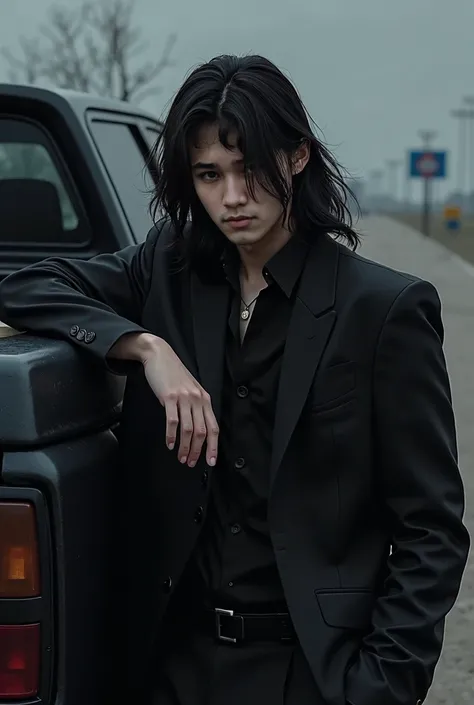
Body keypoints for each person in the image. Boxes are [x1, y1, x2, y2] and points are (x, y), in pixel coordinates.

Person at [0, 54, 469, 705]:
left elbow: (432, 529)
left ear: (298, 155)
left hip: (311, 670)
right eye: (209, 175)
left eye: (249, 169)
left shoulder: (383, 310)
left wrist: (380, 687)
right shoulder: (166, 268)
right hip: (171, 665)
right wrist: (145, 346)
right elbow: (23, 286)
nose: (233, 198)